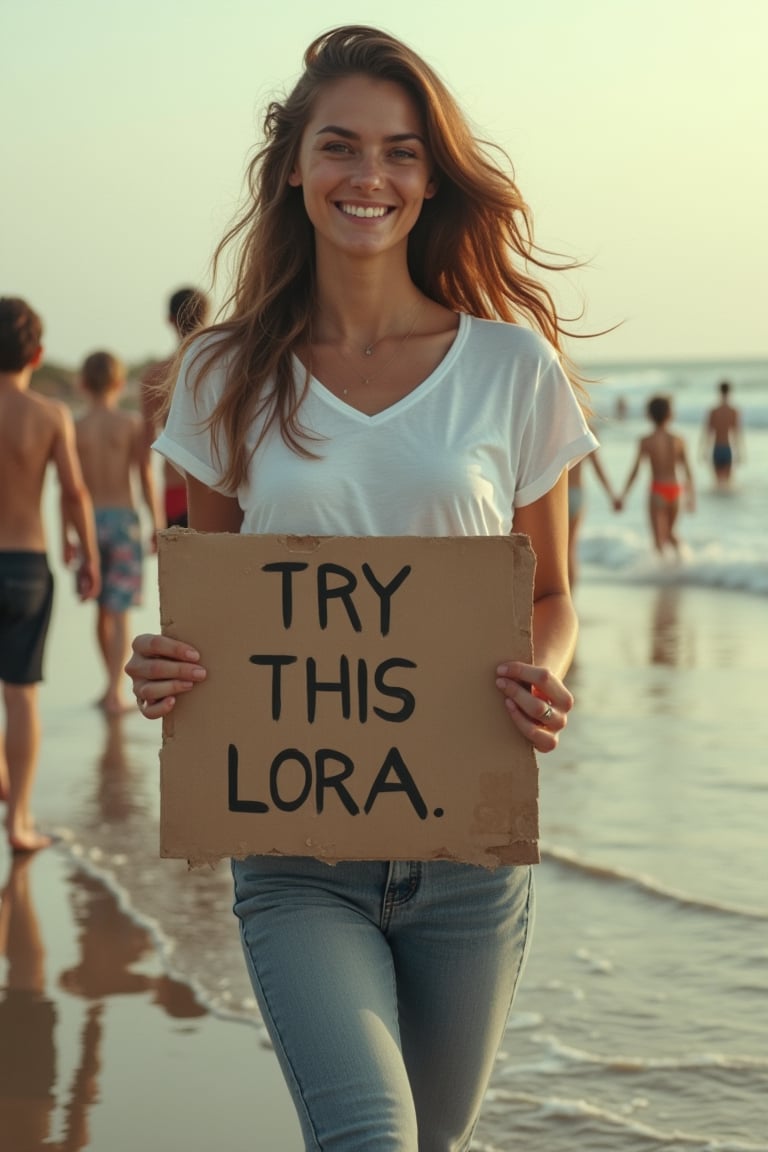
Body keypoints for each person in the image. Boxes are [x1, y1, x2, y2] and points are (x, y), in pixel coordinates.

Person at [125, 26, 599, 1149]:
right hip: (295, 856)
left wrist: (547, 670)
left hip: (469, 855)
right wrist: (166, 660)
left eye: (399, 152)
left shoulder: (512, 367)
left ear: (431, 177)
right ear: (293, 164)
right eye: (340, 147)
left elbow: (554, 597)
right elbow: (213, 594)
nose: (369, 177)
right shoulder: (221, 374)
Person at [0, 297, 99, 853]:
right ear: (37, 353)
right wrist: (90, 557)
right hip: (26, 564)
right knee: (22, 696)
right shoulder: (50, 415)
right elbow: (75, 491)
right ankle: (18, 823)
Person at [71, 351, 160, 714]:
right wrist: (159, 524)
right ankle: (114, 691)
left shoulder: (75, 425)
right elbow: (145, 475)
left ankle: (106, 684)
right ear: (120, 384)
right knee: (120, 610)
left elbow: (69, 488)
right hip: (124, 521)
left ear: (82, 384)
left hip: (89, 524)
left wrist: (66, 533)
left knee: (100, 610)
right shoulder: (131, 423)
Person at [141, 287, 211, 529]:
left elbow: (145, 451)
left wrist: (153, 517)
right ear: (208, 316)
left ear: (170, 320)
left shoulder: (155, 376)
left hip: (174, 490)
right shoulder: (225, 369)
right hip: (217, 491)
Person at [618, 394, 695, 555]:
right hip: (675, 489)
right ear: (670, 414)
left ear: (649, 415)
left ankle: (663, 572)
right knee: (671, 533)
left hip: (657, 490)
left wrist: (624, 495)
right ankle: (683, 561)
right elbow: (688, 471)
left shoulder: (646, 441)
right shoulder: (678, 440)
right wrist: (691, 497)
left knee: (658, 540)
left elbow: (635, 471)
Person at [567, 449, 620, 586]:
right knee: (570, 549)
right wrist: (612, 495)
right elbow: (598, 467)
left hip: (556, 494)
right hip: (577, 492)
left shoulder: (553, 428)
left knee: (552, 550)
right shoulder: (586, 428)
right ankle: (569, 600)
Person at [700, 379, 743, 487]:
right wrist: (740, 452)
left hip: (716, 448)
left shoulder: (713, 411)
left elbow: (708, 433)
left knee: (717, 484)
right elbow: (737, 434)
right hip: (727, 448)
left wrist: (704, 451)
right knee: (728, 484)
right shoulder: (733, 411)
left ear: (719, 391)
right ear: (730, 392)